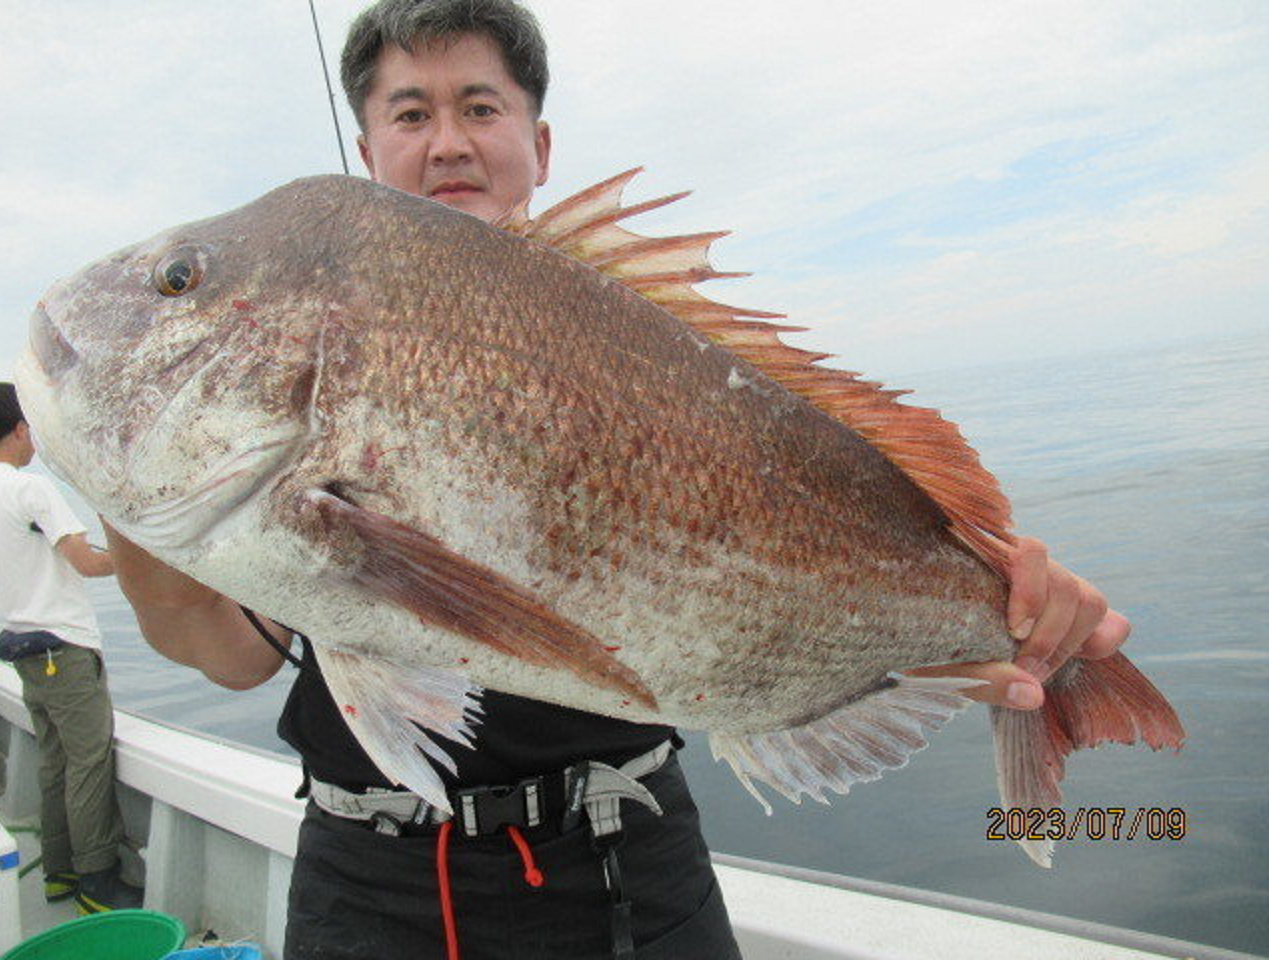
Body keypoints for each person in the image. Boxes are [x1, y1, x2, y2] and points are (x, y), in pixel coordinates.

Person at [102, 1, 1131, 957]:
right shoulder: (295, 403)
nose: (448, 139)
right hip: (369, 882)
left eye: (479, 106)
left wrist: (1011, 602)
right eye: (410, 112)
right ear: (368, 151)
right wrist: (130, 504)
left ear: (537, 146)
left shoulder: (640, 329)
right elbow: (230, 656)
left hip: (629, 864)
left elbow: (842, 497)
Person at [0, 382, 143, 915]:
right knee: (88, 762)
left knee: (54, 763)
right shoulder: (30, 490)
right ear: (19, 429)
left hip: (25, 648)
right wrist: (142, 555)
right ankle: (98, 881)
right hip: (65, 647)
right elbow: (88, 562)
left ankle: (59, 872)